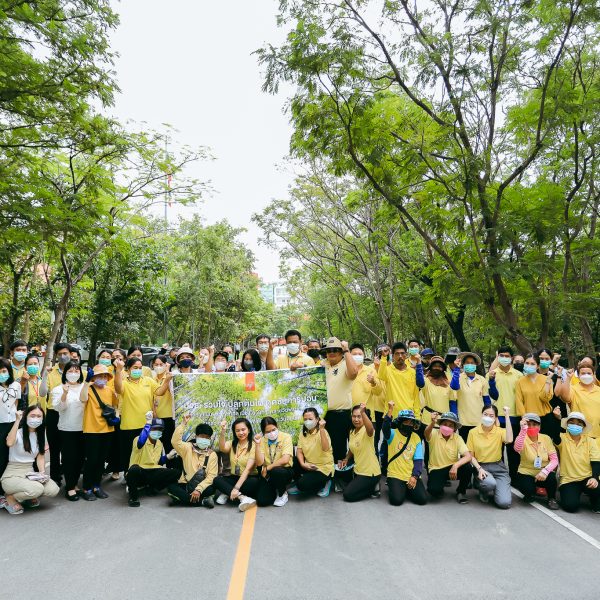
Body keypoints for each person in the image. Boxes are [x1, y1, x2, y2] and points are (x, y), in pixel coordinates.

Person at [114, 356, 172, 472]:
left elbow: (160, 392)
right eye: (135, 367)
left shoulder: (148, 381)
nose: (138, 370)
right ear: (128, 369)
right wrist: (118, 371)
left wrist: (166, 381)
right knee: (130, 454)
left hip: (146, 425)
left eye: (140, 368)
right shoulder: (124, 383)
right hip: (128, 426)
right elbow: (118, 388)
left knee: (147, 454)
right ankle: (129, 476)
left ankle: (145, 478)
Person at [1, 405, 59, 514]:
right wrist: (17, 420)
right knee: (36, 489)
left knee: (53, 489)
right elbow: (9, 443)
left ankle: (27, 497)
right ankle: (10, 497)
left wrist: (42, 473)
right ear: (26, 416)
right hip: (12, 475)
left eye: (39, 416)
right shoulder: (18, 432)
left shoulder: (41, 434)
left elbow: (40, 457)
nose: (35, 419)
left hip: (29, 473)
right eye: (32, 415)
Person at [321, 337, 358, 487]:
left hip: (340, 414)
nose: (332, 353)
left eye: (336, 350)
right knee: (324, 448)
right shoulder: (322, 365)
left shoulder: (345, 364)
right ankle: (328, 476)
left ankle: (342, 478)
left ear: (341, 352)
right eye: (329, 350)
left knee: (340, 447)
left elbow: (354, 373)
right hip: (324, 415)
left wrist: (347, 350)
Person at [79, 365, 119, 502]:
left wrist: (116, 417)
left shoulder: (109, 390)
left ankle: (97, 486)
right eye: (99, 376)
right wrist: (86, 382)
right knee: (91, 460)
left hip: (107, 429)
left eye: (104, 376)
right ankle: (87, 488)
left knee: (101, 460)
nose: (102, 379)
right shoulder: (88, 389)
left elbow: (115, 406)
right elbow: (82, 399)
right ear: (93, 377)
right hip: (91, 429)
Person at [125, 413, 179, 507]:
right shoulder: (139, 439)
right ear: (149, 429)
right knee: (134, 470)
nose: (157, 431)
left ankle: (152, 488)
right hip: (140, 472)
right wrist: (148, 423)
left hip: (153, 471)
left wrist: (168, 456)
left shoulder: (159, 443)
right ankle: (133, 497)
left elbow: (157, 462)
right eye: (154, 428)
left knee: (176, 472)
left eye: (160, 429)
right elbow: (141, 442)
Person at [553, 411, 600, 513]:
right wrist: (558, 419)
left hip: (587, 477)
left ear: (583, 427)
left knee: (597, 488)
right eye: (572, 423)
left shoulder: (590, 441)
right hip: (569, 480)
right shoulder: (562, 438)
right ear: (567, 425)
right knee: (570, 506)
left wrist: (595, 478)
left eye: (579, 424)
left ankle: (595, 501)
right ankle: (572, 494)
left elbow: (596, 461)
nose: (575, 425)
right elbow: (555, 435)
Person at [51, 361, 85, 501]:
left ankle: (75, 483)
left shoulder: (84, 386)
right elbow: (59, 408)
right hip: (67, 429)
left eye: (76, 371)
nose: (73, 373)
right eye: (70, 371)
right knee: (69, 458)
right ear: (65, 373)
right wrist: (65, 394)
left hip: (84, 429)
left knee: (80, 458)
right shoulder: (58, 389)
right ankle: (69, 487)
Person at [487, 345, 523, 478]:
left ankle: (514, 477)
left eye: (507, 356)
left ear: (512, 358)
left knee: (514, 451)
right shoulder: (491, 374)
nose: (504, 358)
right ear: (498, 357)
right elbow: (491, 396)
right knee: (497, 450)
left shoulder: (519, 375)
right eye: (501, 356)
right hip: (496, 418)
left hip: (514, 417)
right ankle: (498, 476)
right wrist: (491, 381)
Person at [468, 404, 513, 508]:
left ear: (496, 418)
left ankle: (496, 487)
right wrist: (479, 469)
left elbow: (510, 439)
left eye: (491, 416)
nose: (488, 417)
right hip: (481, 467)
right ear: (481, 415)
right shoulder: (473, 432)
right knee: (489, 483)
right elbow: (471, 456)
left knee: (504, 503)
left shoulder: (499, 431)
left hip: (498, 467)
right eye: (485, 414)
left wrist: (506, 416)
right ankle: (481, 487)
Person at [167, 414, 218, 508]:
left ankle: (184, 499)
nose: (204, 439)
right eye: (202, 436)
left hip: (202, 486)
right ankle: (202, 502)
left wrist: (198, 489)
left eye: (207, 438)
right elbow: (175, 442)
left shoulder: (212, 454)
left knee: (211, 489)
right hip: (185, 484)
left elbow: (211, 476)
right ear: (196, 436)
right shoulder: (187, 447)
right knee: (171, 488)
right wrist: (183, 424)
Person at [381, 405, 427, 506]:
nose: (409, 424)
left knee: (422, 499)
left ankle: (404, 489)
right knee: (396, 501)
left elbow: (418, 460)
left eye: (411, 422)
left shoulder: (416, 438)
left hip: (409, 474)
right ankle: (394, 486)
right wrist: (390, 411)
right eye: (406, 421)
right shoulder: (392, 434)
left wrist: (415, 476)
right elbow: (385, 428)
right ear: (400, 423)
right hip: (395, 474)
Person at [424, 411, 472, 503]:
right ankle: (439, 486)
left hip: (452, 468)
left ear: (454, 428)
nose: (447, 427)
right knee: (433, 491)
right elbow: (426, 433)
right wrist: (432, 422)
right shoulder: (434, 433)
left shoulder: (457, 438)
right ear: (440, 425)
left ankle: (461, 492)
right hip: (436, 468)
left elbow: (468, 456)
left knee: (468, 467)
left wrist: (455, 466)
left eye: (451, 425)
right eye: (445, 424)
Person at [513, 413, 559, 509]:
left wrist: (545, 471)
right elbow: (517, 448)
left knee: (551, 478)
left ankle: (551, 498)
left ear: (539, 426)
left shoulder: (546, 438)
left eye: (535, 424)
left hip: (543, 471)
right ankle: (531, 493)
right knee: (527, 488)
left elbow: (554, 460)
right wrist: (523, 430)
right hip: (526, 471)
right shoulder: (522, 437)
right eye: (528, 424)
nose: (531, 427)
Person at [214, 417, 258, 511]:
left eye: (243, 429)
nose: (241, 433)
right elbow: (222, 448)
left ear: (249, 430)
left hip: (248, 478)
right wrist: (223, 431)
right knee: (217, 480)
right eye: (237, 430)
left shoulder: (254, 445)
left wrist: (236, 488)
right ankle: (243, 498)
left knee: (253, 483)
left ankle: (228, 492)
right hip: (234, 477)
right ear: (234, 432)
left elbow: (248, 469)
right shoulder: (232, 443)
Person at [339, 404, 381, 502]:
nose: (356, 419)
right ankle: (365, 486)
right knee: (341, 473)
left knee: (348, 495)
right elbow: (351, 449)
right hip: (358, 471)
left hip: (370, 473)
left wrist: (363, 412)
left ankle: (373, 488)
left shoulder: (367, 430)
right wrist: (346, 459)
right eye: (354, 416)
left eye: (359, 416)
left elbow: (370, 429)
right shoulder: (352, 431)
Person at [350, 343, 385, 452]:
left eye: (360, 354)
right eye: (354, 354)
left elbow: (378, 391)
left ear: (364, 355)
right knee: (352, 447)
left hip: (368, 416)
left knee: (370, 448)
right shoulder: (346, 371)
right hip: (349, 416)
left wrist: (373, 382)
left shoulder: (370, 371)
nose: (357, 356)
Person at [46, 342, 72, 485]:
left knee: (68, 449)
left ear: (70, 354)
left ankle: (70, 478)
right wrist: (44, 374)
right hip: (53, 413)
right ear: (56, 355)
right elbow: (44, 392)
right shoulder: (51, 372)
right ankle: (55, 478)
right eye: (60, 354)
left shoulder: (77, 371)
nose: (63, 356)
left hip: (70, 413)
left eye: (65, 353)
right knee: (54, 449)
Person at [254, 416, 294, 507]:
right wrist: (257, 444)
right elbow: (259, 463)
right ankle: (274, 489)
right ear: (263, 432)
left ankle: (282, 493)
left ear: (277, 426)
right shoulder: (262, 440)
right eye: (267, 432)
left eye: (273, 429)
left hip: (284, 471)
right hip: (268, 475)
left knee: (277, 471)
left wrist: (268, 468)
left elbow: (285, 460)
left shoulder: (286, 437)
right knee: (262, 501)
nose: (271, 433)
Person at [294, 407, 334, 497]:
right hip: (309, 465)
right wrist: (303, 464)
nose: (307, 421)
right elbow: (299, 451)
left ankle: (326, 482)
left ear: (317, 419)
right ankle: (301, 482)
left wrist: (322, 429)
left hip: (322, 469)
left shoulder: (323, 432)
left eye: (310, 419)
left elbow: (326, 448)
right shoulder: (303, 433)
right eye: (305, 419)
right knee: (293, 461)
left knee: (302, 485)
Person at [377, 342, 424, 416]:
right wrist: (384, 357)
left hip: (409, 416)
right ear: (393, 356)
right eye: (397, 354)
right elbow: (381, 376)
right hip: (391, 414)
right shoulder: (388, 370)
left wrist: (417, 415)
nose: (400, 356)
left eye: (402, 353)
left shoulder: (412, 372)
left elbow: (415, 396)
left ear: (406, 355)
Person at [556, 363, 600, 439]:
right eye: (583, 373)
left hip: (597, 434)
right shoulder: (573, 389)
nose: (586, 375)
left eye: (589, 373)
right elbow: (565, 397)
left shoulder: (599, 390)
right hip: (578, 433)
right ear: (578, 375)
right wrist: (568, 378)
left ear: (593, 374)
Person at [455, 351, 490, 442]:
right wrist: (456, 368)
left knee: (478, 448)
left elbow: (486, 400)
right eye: (467, 363)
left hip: (479, 421)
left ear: (476, 365)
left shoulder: (482, 380)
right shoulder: (458, 378)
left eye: (472, 363)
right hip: (463, 421)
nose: (469, 365)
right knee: (465, 449)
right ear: (463, 364)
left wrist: (488, 417)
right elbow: (454, 387)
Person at [515, 354, 554, 434]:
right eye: (527, 363)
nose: (529, 365)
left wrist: (547, 381)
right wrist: (524, 418)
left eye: (532, 364)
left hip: (544, 417)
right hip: (528, 420)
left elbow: (545, 398)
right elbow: (519, 401)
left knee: (545, 444)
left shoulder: (546, 379)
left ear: (538, 366)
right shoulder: (520, 381)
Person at [0, 357, 21, 503]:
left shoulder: (16, 385)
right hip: (0, 425)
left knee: (12, 457)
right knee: (1, 458)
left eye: (3, 370)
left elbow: (16, 403)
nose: (2, 373)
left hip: (13, 424)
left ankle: (12, 488)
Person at [420, 355, 460, 426]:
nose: (437, 368)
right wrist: (418, 365)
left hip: (444, 422)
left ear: (443, 369)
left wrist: (454, 420)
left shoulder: (448, 384)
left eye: (440, 366)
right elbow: (419, 381)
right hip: (427, 421)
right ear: (431, 367)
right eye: (435, 366)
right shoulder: (426, 381)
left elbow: (452, 403)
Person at [150, 354, 175, 454]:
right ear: (152, 365)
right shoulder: (152, 379)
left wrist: (168, 378)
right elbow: (151, 398)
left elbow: (172, 392)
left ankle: (171, 468)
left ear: (166, 365)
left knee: (169, 446)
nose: (158, 366)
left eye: (161, 364)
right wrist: (154, 413)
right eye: (156, 364)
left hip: (168, 416)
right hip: (156, 417)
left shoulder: (170, 377)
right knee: (156, 446)